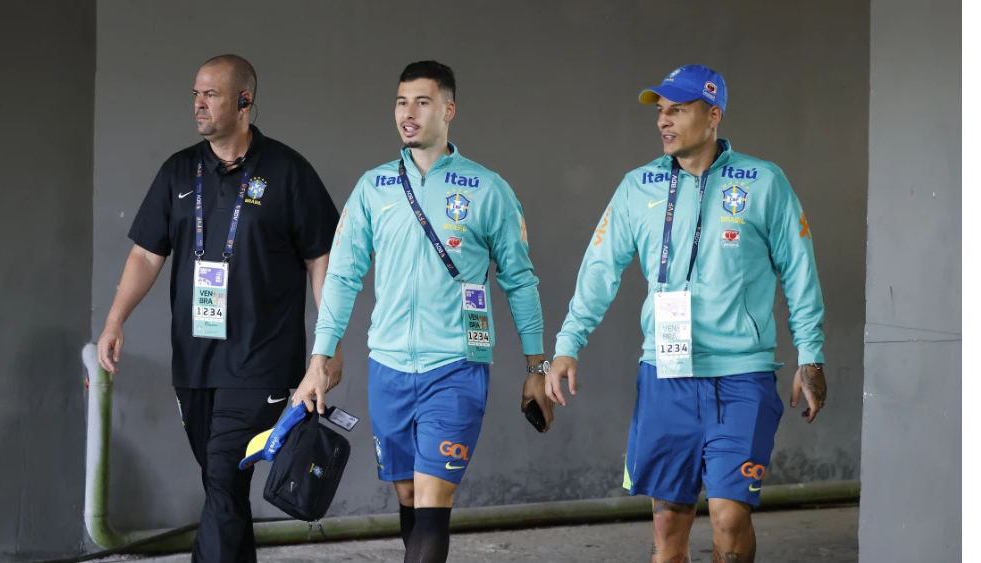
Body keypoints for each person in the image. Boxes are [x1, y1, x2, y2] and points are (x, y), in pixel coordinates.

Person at [545, 65, 828, 563]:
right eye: (660, 111)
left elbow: (799, 271)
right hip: (665, 376)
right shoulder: (638, 186)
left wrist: (811, 356)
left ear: (713, 114)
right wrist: (568, 344)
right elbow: (599, 269)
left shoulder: (764, 182)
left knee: (728, 517)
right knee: (668, 533)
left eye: (678, 109)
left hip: (741, 376)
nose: (664, 121)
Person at [293, 60, 554, 563]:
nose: (407, 114)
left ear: (449, 110)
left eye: (422, 102)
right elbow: (343, 276)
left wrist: (535, 369)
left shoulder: (488, 189)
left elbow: (520, 280)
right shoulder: (373, 188)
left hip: (455, 366)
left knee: (435, 500)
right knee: (410, 496)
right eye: (400, 102)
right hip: (388, 367)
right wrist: (320, 358)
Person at [95, 54, 342, 563]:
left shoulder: (288, 171)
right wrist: (115, 320)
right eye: (195, 94)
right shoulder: (179, 171)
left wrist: (327, 344)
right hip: (195, 361)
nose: (198, 105)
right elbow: (145, 253)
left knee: (224, 474)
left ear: (244, 102)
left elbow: (323, 257)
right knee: (221, 486)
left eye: (211, 95)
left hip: (263, 363)